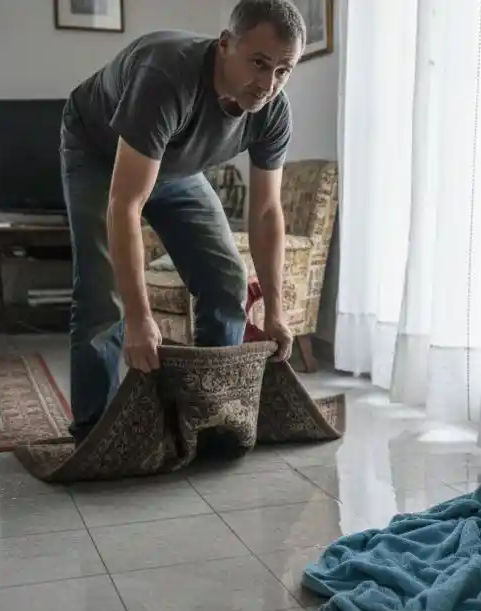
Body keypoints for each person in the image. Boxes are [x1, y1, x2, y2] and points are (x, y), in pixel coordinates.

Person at [60, 0, 305, 441]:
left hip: (176, 166)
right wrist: (139, 318)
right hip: (98, 151)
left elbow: (267, 210)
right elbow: (125, 204)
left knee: (226, 277)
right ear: (225, 45)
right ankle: (93, 434)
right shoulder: (165, 77)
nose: (269, 84)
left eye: (284, 71)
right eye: (259, 63)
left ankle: (211, 413)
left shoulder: (273, 110)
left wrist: (275, 312)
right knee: (102, 295)